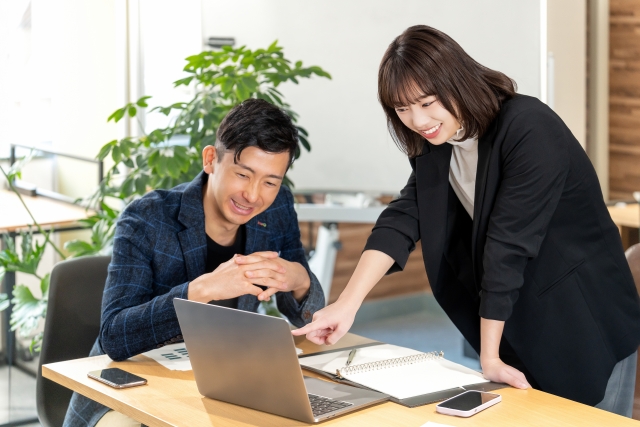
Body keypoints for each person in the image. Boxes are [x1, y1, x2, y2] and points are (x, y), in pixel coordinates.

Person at [294, 25, 640, 417]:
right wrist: (347, 304)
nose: (417, 120)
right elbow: (405, 217)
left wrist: (488, 358)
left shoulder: (529, 128)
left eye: (426, 102)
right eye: (402, 109)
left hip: (582, 319)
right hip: (513, 317)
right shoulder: (442, 140)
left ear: (455, 81)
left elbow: (507, 247)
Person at [64, 98, 325, 427]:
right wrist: (199, 290)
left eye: (270, 182)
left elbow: (306, 319)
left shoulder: (276, 208)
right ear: (211, 160)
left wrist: (300, 279)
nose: (254, 195)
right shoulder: (148, 218)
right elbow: (115, 337)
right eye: (243, 174)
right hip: (130, 388)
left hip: (220, 383)